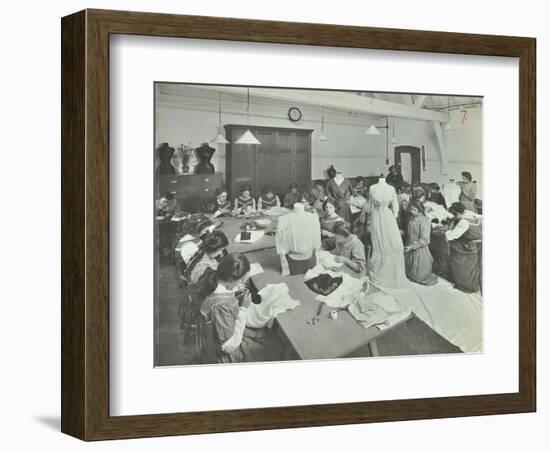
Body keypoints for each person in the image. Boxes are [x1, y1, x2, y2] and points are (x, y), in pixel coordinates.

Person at [197, 253, 278, 363]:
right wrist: (243, 308)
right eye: (241, 280)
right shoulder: (221, 307)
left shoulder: (211, 279)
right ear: (230, 279)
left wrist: (233, 294)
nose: (242, 283)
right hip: (228, 353)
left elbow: (221, 299)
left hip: (224, 332)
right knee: (273, 344)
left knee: (263, 335)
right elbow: (228, 346)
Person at [367, 175, 408, 288]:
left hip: (387, 216)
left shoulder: (391, 188)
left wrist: (394, 218)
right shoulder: (372, 188)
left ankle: (392, 271)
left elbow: (395, 204)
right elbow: (370, 204)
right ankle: (379, 269)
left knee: (395, 244)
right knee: (379, 242)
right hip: (376, 216)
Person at [276, 198, 322, 275]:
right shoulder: (283, 219)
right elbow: (280, 242)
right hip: (292, 262)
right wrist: (284, 266)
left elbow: (317, 241)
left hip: (310, 260)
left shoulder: (313, 217)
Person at [445, 202, 482, 293]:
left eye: (454, 215)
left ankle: (465, 285)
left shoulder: (463, 222)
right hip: (479, 242)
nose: (454, 217)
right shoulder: (468, 213)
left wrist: (448, 230)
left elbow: (451, 236)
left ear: (457, 213)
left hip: (471, 246)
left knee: (455, 252)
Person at [404, 201, 438, 286]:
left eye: (414, 209)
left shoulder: (424, 220)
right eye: (411, 209)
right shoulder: (411, 218)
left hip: (419, 249)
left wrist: (412, 246)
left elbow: (425, 239)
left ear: (420, 210)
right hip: (409, 245)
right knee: (408, 270)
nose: (411, 211)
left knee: (420, 276)